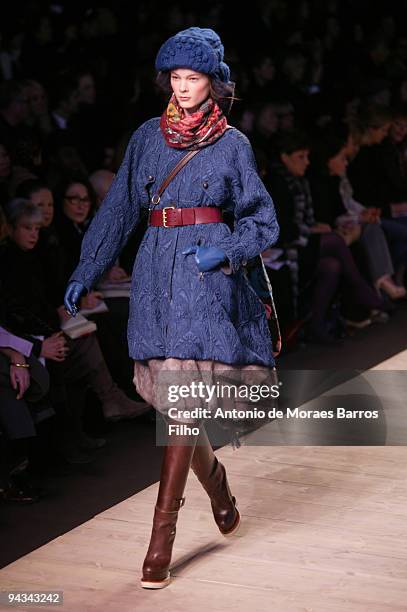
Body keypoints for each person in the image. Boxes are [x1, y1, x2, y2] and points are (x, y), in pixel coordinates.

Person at [64, 27, 279, 589]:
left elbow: (263, 220)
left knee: (180, 403)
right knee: (175, 407)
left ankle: (159, 545)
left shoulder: (232, 145)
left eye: (195, 77)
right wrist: (86, 269)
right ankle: (221, 490)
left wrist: (225, 248)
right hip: (157, 276)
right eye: (177, 78)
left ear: (214, 82)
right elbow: (116, 212)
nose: (184, 88)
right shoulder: (146, 138)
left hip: (206, 281)